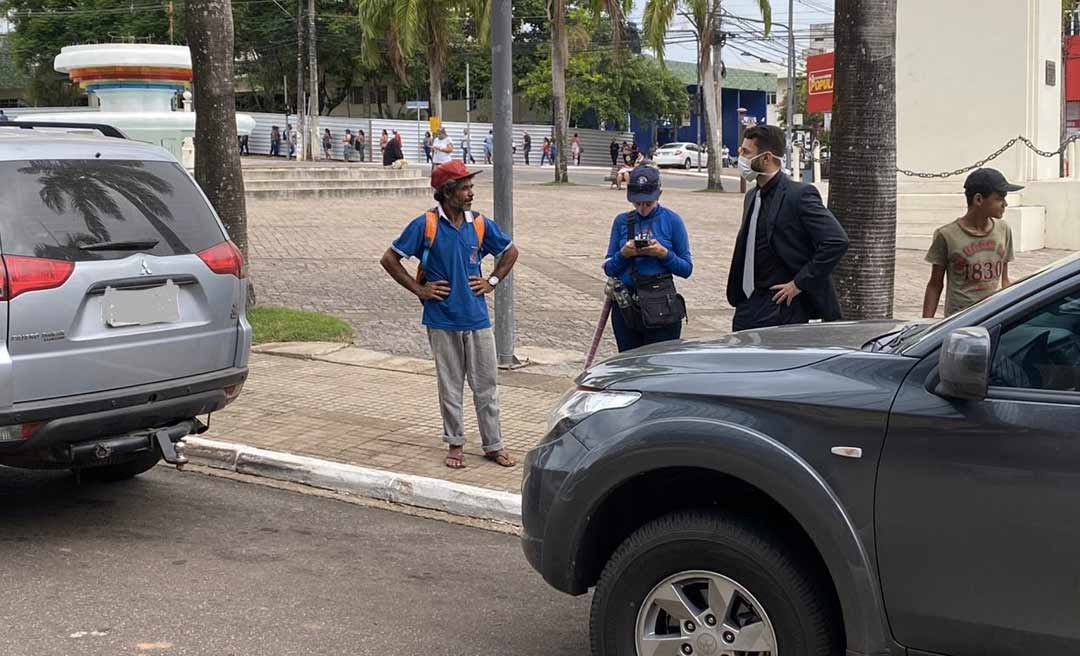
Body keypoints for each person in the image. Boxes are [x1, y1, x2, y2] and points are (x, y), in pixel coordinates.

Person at [379, 160, 520, 470]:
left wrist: (491, 281)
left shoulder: (480, 224)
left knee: (486, 385)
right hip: (441, 318)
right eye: (465, 187)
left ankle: (493, 444)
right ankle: (455, 444)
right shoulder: (425, 225)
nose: (471, 192)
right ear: (447, 192)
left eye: (471, 186)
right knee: (450, 385)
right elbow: (389, 259)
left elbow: (510, 251)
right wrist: (420, 291)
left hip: (477, 317)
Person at [726, 125, 849, 332]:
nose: (741, 158)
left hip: (781, 305)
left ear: (766, 158)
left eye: (746, 153)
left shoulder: (799, 195)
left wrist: (799, 283)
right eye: (741, 151)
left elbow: (836, 241)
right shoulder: (752, 196)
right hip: (747, 303)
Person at [603, 166, 692, 352]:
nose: (642, 209)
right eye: (637, 203)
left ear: (659, 195)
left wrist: (663, 254)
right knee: (628, 364)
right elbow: (609, 268)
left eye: (648, 203)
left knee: (658, 366)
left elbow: (686, 268)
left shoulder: (672, 220)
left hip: (661, 306)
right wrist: (625, 254)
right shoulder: (622, 221)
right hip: (626, 307)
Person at [922, 168, 1019, 318]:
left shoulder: (1003, 229)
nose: (1005, 204)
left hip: (993, 316)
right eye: (999, 198)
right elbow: (935, 284)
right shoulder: (946, 235)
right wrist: (925, 324)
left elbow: (1004, 279)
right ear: (979, 199)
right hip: (960, 319)